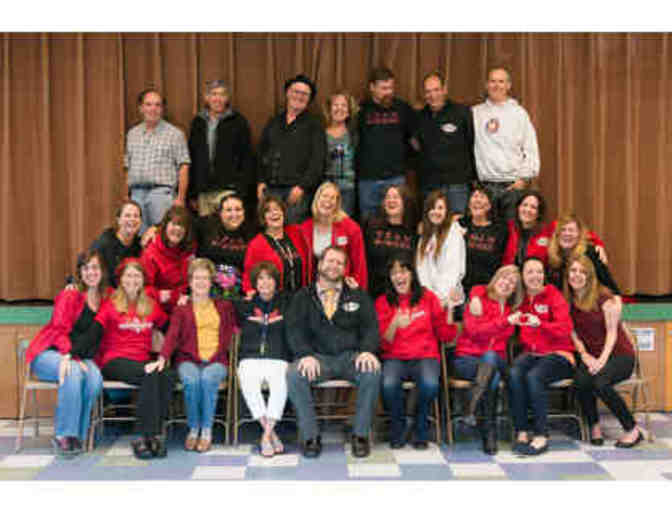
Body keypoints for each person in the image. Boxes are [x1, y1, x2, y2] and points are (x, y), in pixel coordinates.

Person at [286, 246, 381, 458]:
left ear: (345, 269)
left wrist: (367, 351)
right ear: (320, 264)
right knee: (294, 374)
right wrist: (304, 354)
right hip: (318, 359)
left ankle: (360, 436)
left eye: (339, 263)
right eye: (330, 261)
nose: (334, 266)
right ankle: (310, 436)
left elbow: (371, 327)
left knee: (372, 371)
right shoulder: (303, 296)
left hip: (350, 358)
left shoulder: (358, 295)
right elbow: (294, 330)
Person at [25, 250, 107, 456]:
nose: (91, 272)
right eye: (86, 268)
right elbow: (58, 330)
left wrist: (76, 358)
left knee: (95, 379)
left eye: (95, 267)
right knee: (72, 372)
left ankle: (79, 434)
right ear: (80, 272)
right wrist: (68, 356)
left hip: (79, 356)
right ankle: (64, 434)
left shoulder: (105, 299)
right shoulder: (70, 295)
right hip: (50, 353)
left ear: (102, 271)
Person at [91, 258, 174, 459]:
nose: (132, 280)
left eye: (137, 276)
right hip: (114, 360)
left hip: (142, 360)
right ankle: (146, 436)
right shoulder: (110, 304)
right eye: (128, 275)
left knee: (165, 374)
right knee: (150, 374)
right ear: (121, 279)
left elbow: (171, 330)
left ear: (143, 280)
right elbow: (94, 332)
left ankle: (152, 436)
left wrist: (164, 356)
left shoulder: (150, 306)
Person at [375, 255, 457, 449]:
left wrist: (450, 310)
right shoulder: (383, 302)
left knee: (430, 384)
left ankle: (421, 425)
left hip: (425, 356)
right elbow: (382, 344)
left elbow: (445, 335)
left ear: (412, 274)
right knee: (388, 384)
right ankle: (398, 426)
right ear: (389, 278)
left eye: (403, 271)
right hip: (394, 357)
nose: (399, 276)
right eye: (394, 273)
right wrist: (395, 323)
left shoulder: (428, 297)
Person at [564, 255, 643, 448]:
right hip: (591, 356)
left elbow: (612, 333)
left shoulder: (604, 297)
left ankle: (632, 430)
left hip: (619, 355)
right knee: (581, 381)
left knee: (600, 383)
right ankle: (594, 426)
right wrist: (585, 355)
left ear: (590, 275)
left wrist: (601, 360)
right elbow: (573, 333)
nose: (577, 275)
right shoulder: (568, 300)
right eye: (573, 271)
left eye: (582, 272)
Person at [158, 258, 235, 453]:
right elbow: (172, 335)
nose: (201, 282)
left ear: (211, 282)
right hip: (188, 359)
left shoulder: (224, 306)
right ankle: (193, 429)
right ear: (190, 282)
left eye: (205, 278)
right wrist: (163, 357)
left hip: (216, 360)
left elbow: (235, 326)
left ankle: (206, 431)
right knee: (192, 380)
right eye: (197, 278)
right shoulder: (181, 309)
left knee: (208, 378)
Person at [508, 257, 575, 455]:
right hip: (532, 354)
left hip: (559, 354)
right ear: (522, 276)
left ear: (544, 275)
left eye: (539, 271)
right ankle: (521, 431)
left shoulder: (553, 295)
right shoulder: (520, 299)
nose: (535, 276)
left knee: (534, 376)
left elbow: (566, 328)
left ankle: (541, 435)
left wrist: (541, 324)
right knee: (514, 373)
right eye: (530, 272)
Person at [454, 265, 522, 455]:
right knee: (491, 377)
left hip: (497, 360)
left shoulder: (511, 311)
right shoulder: (478, 300)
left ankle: (470, 408)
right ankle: (489, 432)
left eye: (512, 283)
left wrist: (507, 320)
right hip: (467, 359)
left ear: (515, 290)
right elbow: (474, 331)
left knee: (491, 358)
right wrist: (504, 322)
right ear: (495, 278)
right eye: (504, 278)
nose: (506, 283)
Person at [234, 261, 291, 457]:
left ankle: (265, 435)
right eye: (260, 278)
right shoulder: (245, 306)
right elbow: (219, 300)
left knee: (280, 382)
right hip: (250, 357)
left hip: (278, 357)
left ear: (276, 282)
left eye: (269, 278)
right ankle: (271, 433)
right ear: (255, 283)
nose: (265, 282)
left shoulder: (287, 304)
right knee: (248, 380)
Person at [472, 67, 539, 220]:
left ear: (508, 85)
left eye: (501, 81)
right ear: (486, 85)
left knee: (511, 231)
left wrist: (523, 179)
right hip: (484, 187)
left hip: (512, 187)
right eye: (492, 81)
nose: (496, 85)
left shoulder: (519, 113)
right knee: (487, 231)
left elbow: (531, 148)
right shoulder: (475, 113)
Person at [257, 74, 326, 224]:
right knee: (270, 231)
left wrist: (302, 187)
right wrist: (260, 181)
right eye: (296, 91)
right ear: (287, 93)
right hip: (270, 190)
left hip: (296, 193)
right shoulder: (274, 122)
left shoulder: (314, 126)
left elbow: (318, 161)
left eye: (305, 94)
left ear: (309, 99)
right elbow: (261, 152)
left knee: (294, 232)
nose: (299, 96)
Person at [124, 88, 191, 232]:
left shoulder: (175, 134)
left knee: (162, 234)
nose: (153, 109)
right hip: (136, 194)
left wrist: (180, 198)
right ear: (141, 108)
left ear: (162, 109)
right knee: (138, 237)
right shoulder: (132, 134)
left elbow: (184, 167)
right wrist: (127, 195)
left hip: (161, 193)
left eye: (157, 105)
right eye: (148, 104)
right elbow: (127, 166)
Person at [356, 67, 417, 219]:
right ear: (372, 87)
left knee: (397, 220)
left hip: (395, 177)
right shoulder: (361, 111)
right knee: (368, 222)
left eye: (391, 87)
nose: (388, 92)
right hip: (368, 179)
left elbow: (414, 139)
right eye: (384, 88)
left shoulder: (403, 108)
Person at [187, 80, 255, 216]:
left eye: (222, 94)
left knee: (229, 226)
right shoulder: (198, 122)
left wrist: (242, 190)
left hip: (229, 189)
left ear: (227, 98)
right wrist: (192, 192)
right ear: (206, 98)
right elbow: (193, 158)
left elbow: (247, 158)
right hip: (204, 192)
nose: (217, 99)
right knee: (207, 227)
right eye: (213, 94)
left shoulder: (238, 122)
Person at [414, 70, 476, 213]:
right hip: (430, 185)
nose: (433, 95)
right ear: (424, 94)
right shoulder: (419, 117)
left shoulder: (462, 113)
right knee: (432, 223)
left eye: (436, 90)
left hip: (457, 185)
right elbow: (416, 147)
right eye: (428, 91)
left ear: (444, 90)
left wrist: (472, 178)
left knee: (457, 223)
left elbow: (472, 143)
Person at [502, 190, 606, 268]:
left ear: (538, 213)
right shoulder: (508, 228)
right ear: (518, 207)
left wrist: (598, 244)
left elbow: (579, 231)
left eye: (533, 207)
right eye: (524, 205)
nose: (528, 210)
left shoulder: (548, 228)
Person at [299, 181, 368, 289]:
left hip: (342, 287)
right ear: (316, 200)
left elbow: (359, 264)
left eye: (332, 198)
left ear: (337, 203)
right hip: (313, 287)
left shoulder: (351, 228)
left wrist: (359, 290)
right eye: (324, 196)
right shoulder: (304, 228)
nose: (328, 201)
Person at [242, 195, 309, 295]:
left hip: (302, 296)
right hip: (275, 299)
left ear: (283, 212)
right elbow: (248, 276)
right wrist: (251, 294)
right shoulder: (256, 245)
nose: (274, 213)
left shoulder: (296, 233)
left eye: (277, 209)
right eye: (268, 211)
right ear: (263, 218)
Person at [193, 192, 253, 299]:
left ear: (244, 212)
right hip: (207, 288)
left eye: (238, 209)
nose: (234, 214)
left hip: (240, 292)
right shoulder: (205, 226)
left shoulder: (252, 233)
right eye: (228, 210)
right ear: (220, 213)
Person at [364, 184, 417, 298]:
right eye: (388, 197)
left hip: (402, 294)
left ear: (405, 202)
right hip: (373, 293)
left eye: (396, 197)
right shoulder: (371, 226)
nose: (391, 200)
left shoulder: (413, 231)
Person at [416, 190, 466, 310]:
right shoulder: (425, 236)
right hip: (429, 299)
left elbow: (453, 271)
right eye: (432, 208)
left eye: (440, 208)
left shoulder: (453, 233)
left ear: (447, 211)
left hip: (448, 300)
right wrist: (428, 295)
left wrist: (439, 298)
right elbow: (421, 269)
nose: (436, 212)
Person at [548, 213, 620, 295]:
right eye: (563, 230)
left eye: (571, 230)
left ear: (579, 235)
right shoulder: (552, 257)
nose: (567, 234)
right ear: (556, 234)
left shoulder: (591, 253)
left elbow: (608, 284)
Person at [141, 205, 196, 314]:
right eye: (174, 224)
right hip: (158, 308)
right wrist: (168, 296)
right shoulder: (151, 253)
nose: (177, 229)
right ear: (165, 226)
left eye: (182, 225)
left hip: (183, 305)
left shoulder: (189, 249)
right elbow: (143, 289)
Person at [457, 186, 509, 298]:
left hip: (489, 289)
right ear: (469, 204)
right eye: (474, 196)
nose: (477, 200)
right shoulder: (459, 224)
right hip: (462, 289)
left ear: (489, 205)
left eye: (482, 196)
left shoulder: (500, 229)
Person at [89, 200, 143, 287]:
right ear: (118, 220)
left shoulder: (141, 245)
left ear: (140, 221)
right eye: (127, 215)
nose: (132, 219)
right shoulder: (104, 243)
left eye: (136, 216)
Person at [323, 91, 359, 217]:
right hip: (326, 188)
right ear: (329, 109)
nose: (339, 108)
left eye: (344, 105)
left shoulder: (354, 134)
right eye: (335, 105)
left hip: (348, 188)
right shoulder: (321, 135)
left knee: (344, 222)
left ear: (349, 111)